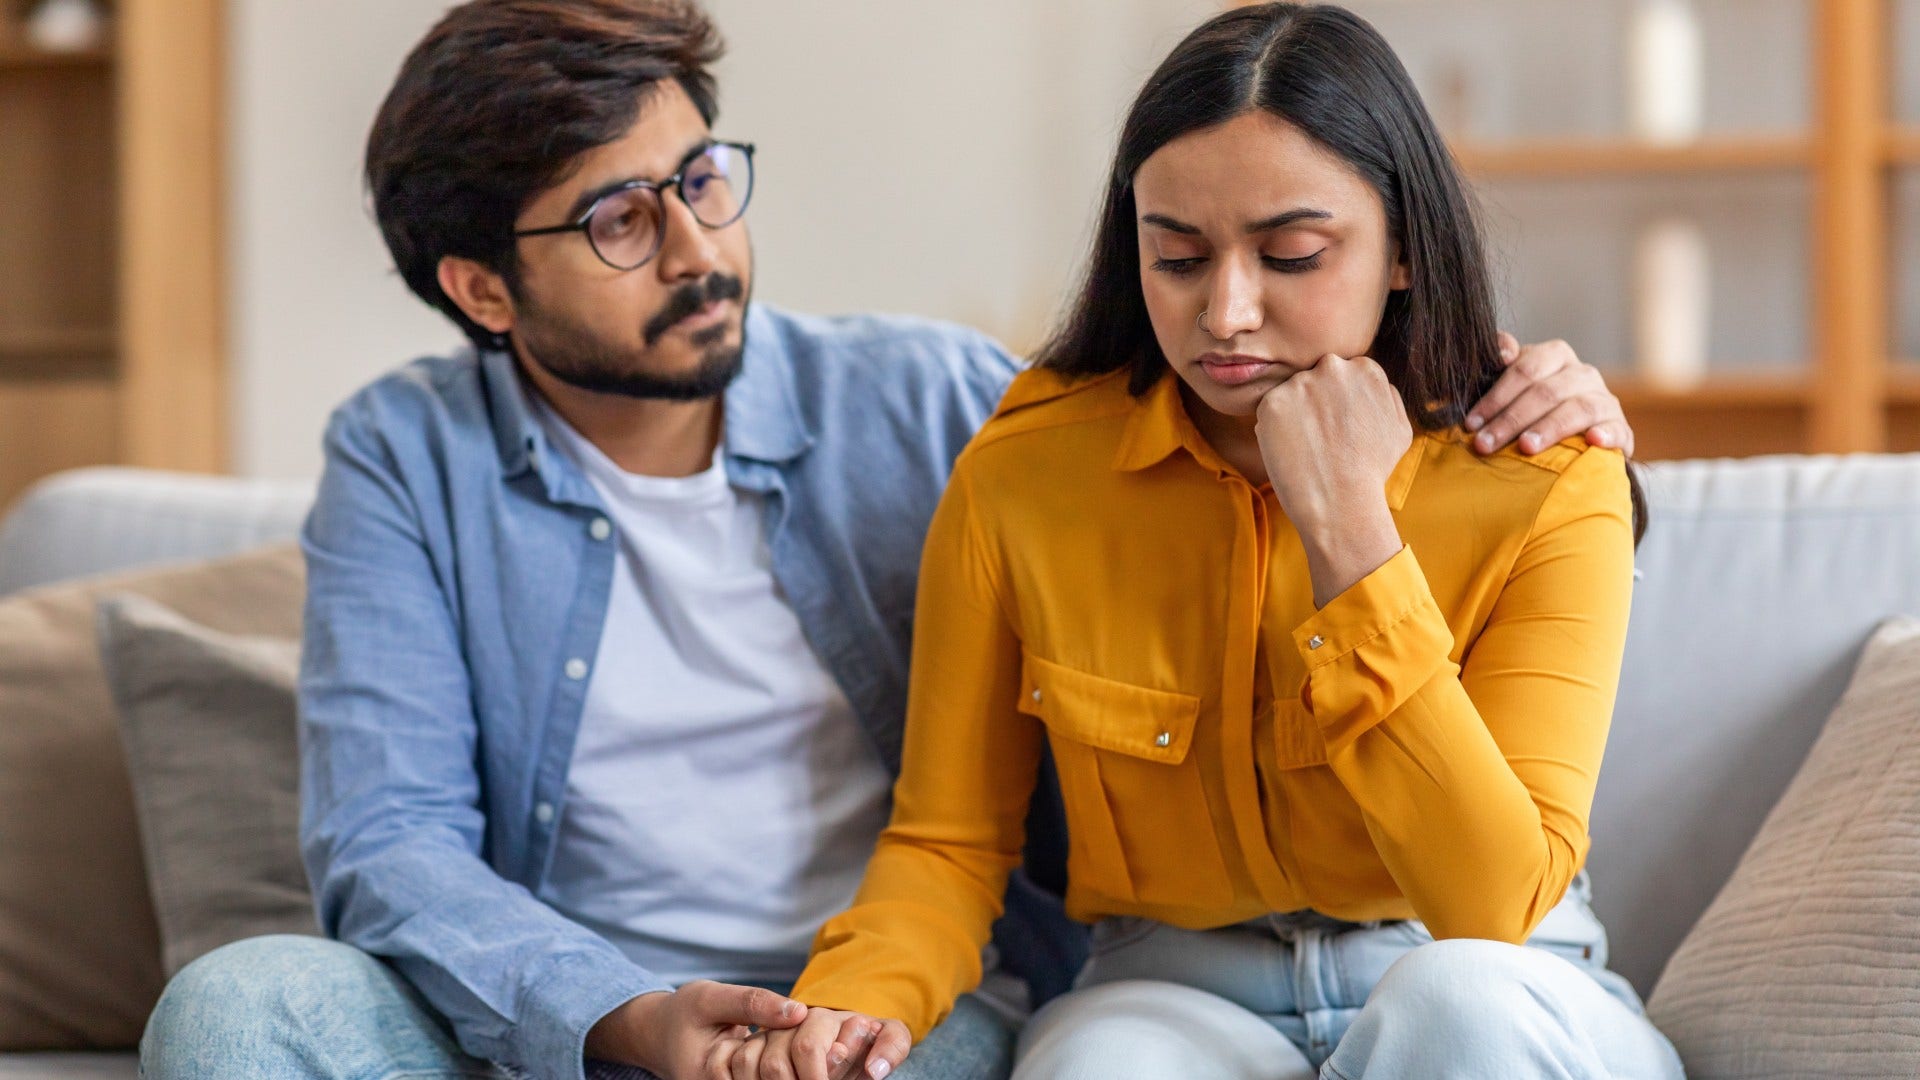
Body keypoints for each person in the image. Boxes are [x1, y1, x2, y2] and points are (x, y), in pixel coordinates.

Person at [136, 2, 1639, 1079]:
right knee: (235, 1007)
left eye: (703, 180)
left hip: (908, 1007)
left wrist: (1393, 500)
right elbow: (390, 843)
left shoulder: (937, 402)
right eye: (617, 223)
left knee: (1451, 1010)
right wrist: (614, 1019)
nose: (698, 247)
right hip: (574, 1007)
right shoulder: (407, 458)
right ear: (481, 290)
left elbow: (1494, 913)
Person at [760, 5, 1684, 1079]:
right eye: (1178, 258)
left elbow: (1492, 906)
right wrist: (845, 1011)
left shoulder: (1547, 479)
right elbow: (949, 844)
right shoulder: (1026, 475)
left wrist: (1351, 535)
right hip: (1172, 989)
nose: (1226, 311)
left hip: (1492, 974)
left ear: (1401, 250)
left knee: (1460, 1007)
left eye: (1292, 254)